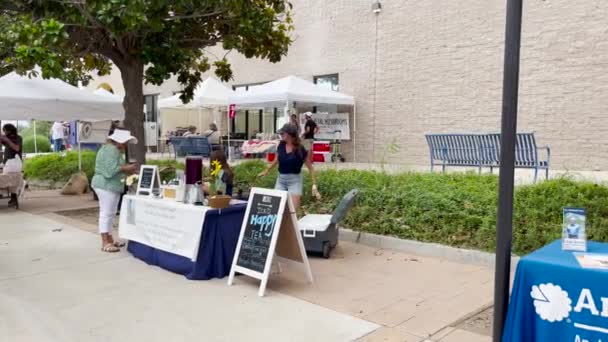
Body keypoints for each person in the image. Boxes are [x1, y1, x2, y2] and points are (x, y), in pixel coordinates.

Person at [91, 129, 138, 253]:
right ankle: (105, 242)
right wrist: (127, 168)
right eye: (126, 142)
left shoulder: (108, 149)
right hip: (107, 185)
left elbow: (112, 168)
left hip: (107, 185)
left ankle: (109, 239)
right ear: (119, 141)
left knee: (110, 213)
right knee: (107, 213)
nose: (126, 144)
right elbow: (110, 171)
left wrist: (125, 168)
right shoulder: (112, 150)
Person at [258, 123, 317, 210]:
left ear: (289, 134)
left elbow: (310, 168)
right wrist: (267, 170)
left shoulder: (300, 149)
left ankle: (292, 222)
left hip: (295, 181)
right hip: (281, 180)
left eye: (282, 134)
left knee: (293, 210)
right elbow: (277, 159)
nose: (280, 135)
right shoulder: (281, 145)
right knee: (276, 208)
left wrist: (314, 184)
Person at [0, 124, 23, 207]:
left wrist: (7, 140)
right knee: (5, 180)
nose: (4, 132)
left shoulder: (18, 138)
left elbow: (17, 148)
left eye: (5, 130)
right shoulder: (7, 137)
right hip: (7, 163)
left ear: (10, 130)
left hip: (15, 164)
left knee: (13, 180)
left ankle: (14, 198)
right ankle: (10, 197)